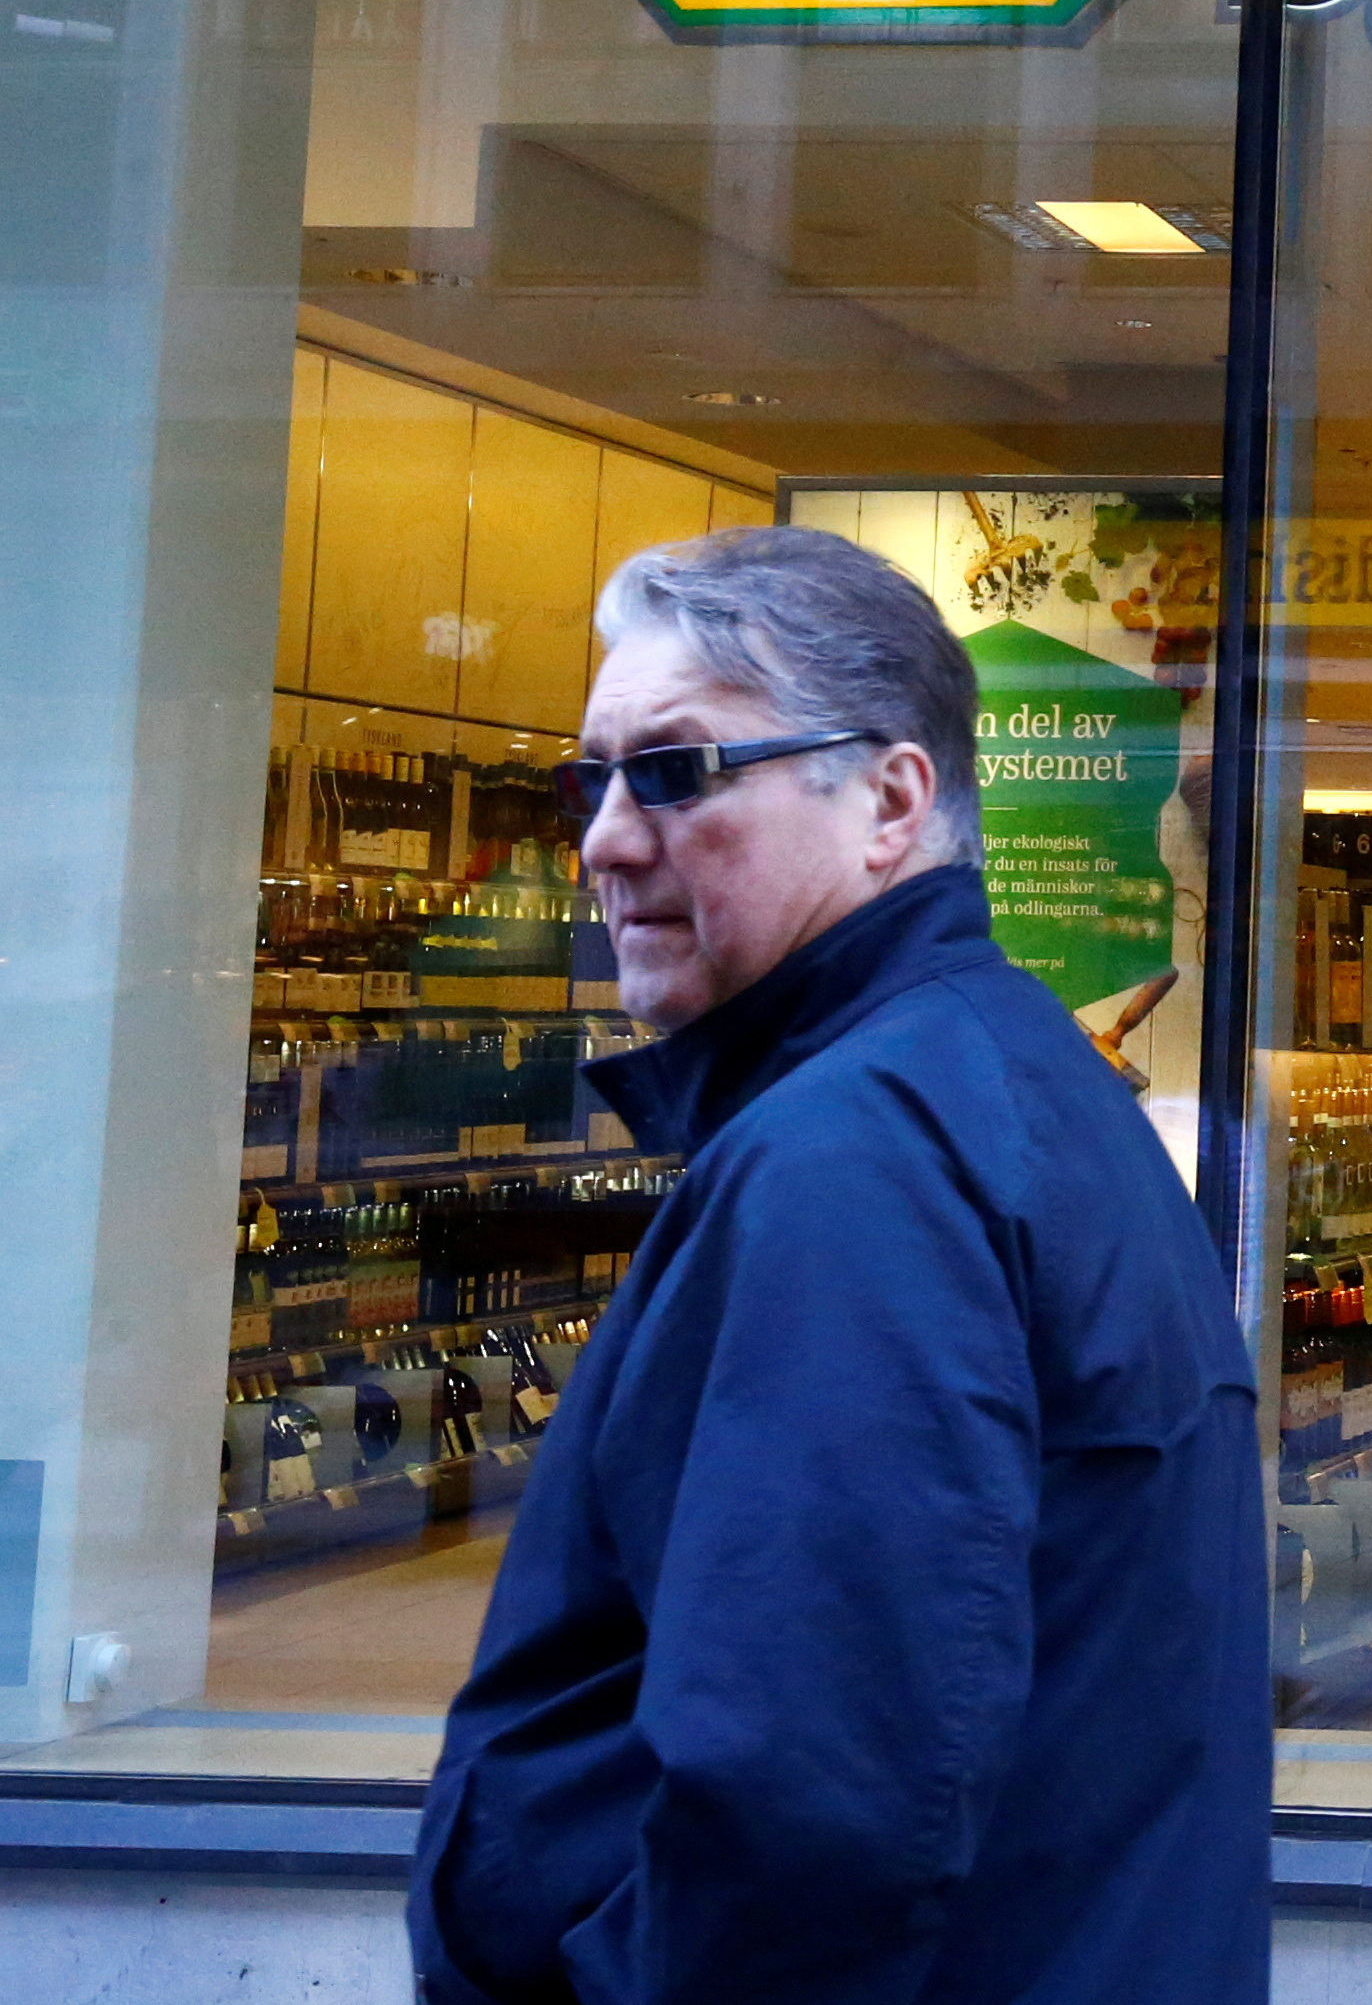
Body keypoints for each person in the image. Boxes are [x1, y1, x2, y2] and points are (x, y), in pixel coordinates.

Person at [408, 528, 1267, 2005]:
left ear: (888, 799)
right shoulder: (993, 1082)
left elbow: (811, 1796)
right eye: (588, 782)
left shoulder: (858, 1159)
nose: (608, 838)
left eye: (675, 772)